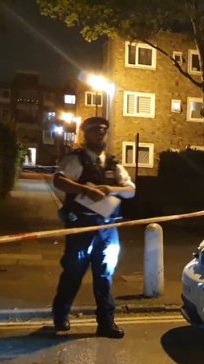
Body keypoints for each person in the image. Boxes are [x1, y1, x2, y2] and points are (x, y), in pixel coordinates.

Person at [50, 116, 135, 339]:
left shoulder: (113, 164)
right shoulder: (75, 160)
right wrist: (84, 189)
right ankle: (60, 317)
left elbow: (131, 190)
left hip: (107, 229)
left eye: (103, 130)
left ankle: (106, 323)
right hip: (82, 227)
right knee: (73, 273)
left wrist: (110, 188)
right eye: (95, 130)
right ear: (85, 134)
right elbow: (58, 180)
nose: (100, 133)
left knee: (104, 277)